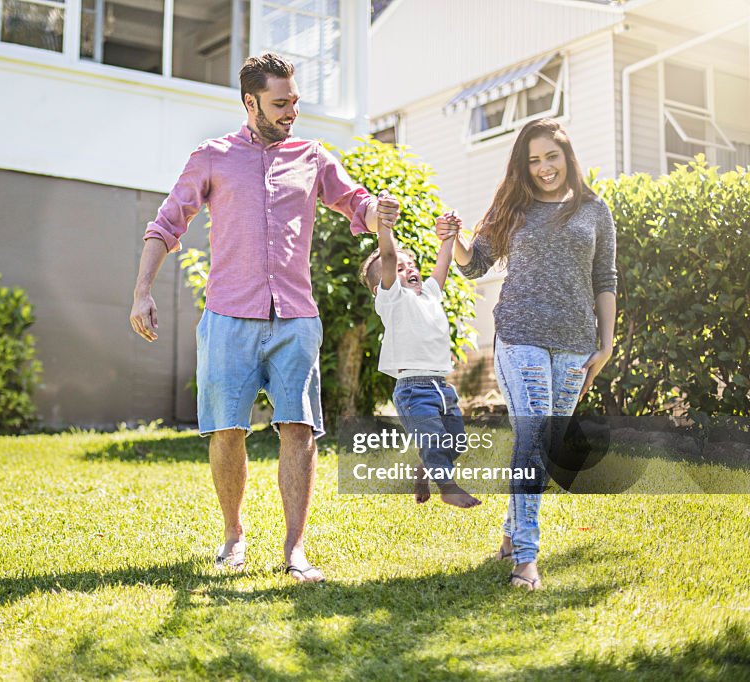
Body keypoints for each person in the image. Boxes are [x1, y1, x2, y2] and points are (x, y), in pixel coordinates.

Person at [129, 52, 400, 583]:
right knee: (227, 429)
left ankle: (294, 549)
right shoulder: (211, 157)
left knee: (299, 429)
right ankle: (233, 537)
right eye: (280, 104)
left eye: (295, 102)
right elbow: (166, 224)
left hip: (296, 315)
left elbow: (354, 202)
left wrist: (377, 211)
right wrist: (142, 291)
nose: (290, 112)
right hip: (229, 314)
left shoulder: (312, 156)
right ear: (250, 102)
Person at [442, 118, 617, 591]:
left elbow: (606, 279)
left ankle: (509, 533)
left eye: (551, 157)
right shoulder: (512, 206)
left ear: (567, 156)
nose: (543, 168)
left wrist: (607, 342)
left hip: (576, 342)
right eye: (533, 160)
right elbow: (474, 263)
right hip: (520, 335)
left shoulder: (595, 210)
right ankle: (525, 558)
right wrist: (452, 236)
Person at [359, 213, 482, 509]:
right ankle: (449, 487)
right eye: (400, 269)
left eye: (411, 265)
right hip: (413, 389)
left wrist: (450, 235)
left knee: (457, 443)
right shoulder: (391, 300)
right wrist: (384, 229)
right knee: (434, 440)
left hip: (442, 385)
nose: (409, 269)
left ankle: (424, 470)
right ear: (382, 287)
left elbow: (443, 263)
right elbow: (387, 257)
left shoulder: (429, 294)